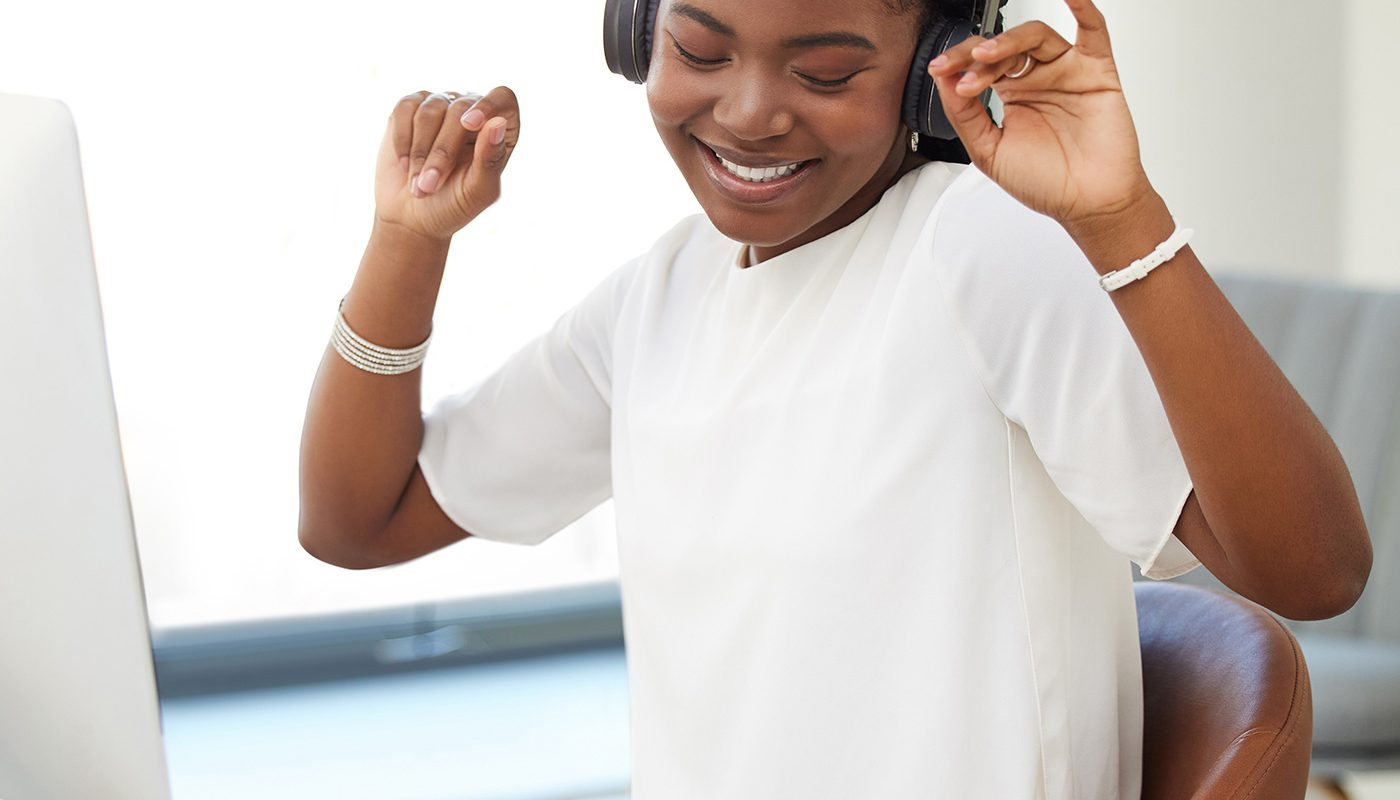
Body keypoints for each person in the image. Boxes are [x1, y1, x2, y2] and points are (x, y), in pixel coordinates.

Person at [298, 0, 1372, 797]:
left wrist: (1121, 220)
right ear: (636, 34)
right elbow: (358, 518)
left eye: (821, 69)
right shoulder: (658, 298)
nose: (749, 112)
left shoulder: (976, 246)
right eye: (698, 50)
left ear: (928, 66)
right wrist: (407, 242)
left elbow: (1311, 569)